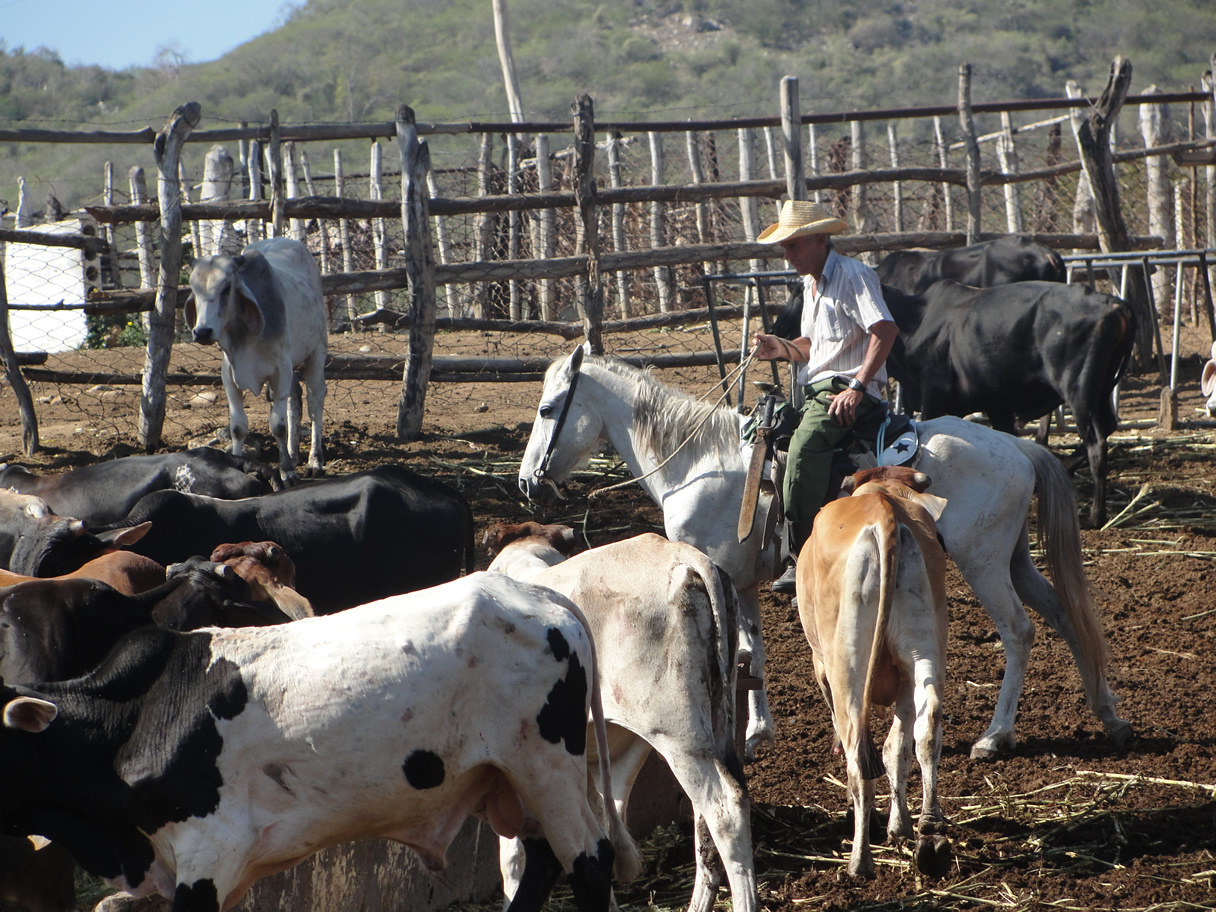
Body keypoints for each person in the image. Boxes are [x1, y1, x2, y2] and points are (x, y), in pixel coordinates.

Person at [750, 200, 898, 594]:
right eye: (785, 247)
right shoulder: (811, 285)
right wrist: (779, 348)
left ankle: (799, 554)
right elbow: (814, 346)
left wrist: (857, 386)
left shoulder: (854, 275)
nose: (787, 255)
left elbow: (884, 330)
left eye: (794, 245)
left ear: (819, 239)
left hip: (846, 390)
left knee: (802, 450)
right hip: (819, 389)